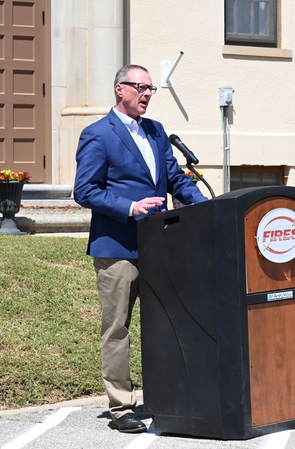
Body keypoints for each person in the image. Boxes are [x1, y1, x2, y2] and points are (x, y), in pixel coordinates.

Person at [73, 64, 208, 433]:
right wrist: (130, 208)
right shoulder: (98, 134)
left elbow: (175, 178)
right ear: (120, 89)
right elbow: (85, 190)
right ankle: (121, 407)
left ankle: (164, 395)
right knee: (117, 328)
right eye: (140, 87)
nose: (147, 94)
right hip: (117, 246)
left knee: (164, 323)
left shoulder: (156, 131)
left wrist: (205, 207)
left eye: (151, 89)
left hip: (158, 246)